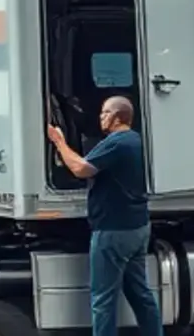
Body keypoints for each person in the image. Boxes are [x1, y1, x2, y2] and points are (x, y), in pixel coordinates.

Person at [47, 96, 160, 336]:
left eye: (105, 112)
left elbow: (80, 169)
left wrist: (59, 142)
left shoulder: (116, 142)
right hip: (138, 227)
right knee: (140, 293)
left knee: (103, 299)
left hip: (113, 230)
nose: (101, 117)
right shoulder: (136, 140)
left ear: (118, 117)